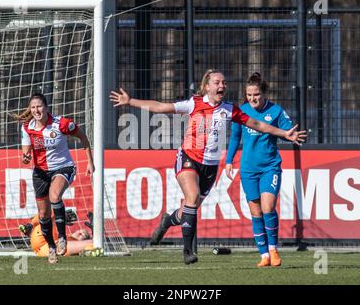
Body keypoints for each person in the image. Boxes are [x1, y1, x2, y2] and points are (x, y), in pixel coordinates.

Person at [110, 69, 306, 265]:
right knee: (192, 197)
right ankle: (188, 252)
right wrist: (131, 101)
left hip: (210, 166)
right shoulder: (193, 103)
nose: (222, 86)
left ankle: (168, 220)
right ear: (207, 86)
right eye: (217, 82)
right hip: (188, 157)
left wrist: (283, 133)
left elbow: (257, 124)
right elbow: (161, 107)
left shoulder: (230, 109)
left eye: (224, 82)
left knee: (189, 207)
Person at [12, 92, 95, 264]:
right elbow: (26, 153)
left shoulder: (62, 124)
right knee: (43, 213)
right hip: (41, 172)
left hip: (64, 167)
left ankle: (63, 237)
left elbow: (83, 137)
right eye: (33, 107)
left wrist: (90, 162)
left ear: (46, 107)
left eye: (39, 106)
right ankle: (51, 247)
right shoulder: (27, 127)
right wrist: (26, 157)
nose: (36, 110)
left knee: (55, 195)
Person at [225, 72, 293, 267]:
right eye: (249, 95)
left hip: (270, 167)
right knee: (255, 212)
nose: (252, 98)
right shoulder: (242, 111)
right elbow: (235, 137)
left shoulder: (276, 111)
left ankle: (273, 251)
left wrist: (292, 135)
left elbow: (287, 131)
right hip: (248, 170)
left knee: (268, 207)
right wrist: (229, 160)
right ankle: (263, 255)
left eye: (256, 94)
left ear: (264, 94)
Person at [19, 210, 95, 260]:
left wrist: (96, 232)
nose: (80, 233)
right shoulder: (62, 236)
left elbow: (94, 243)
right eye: (81, 231)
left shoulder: (65, 245)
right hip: (42, 241)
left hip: (47, 248)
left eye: (83, 235)